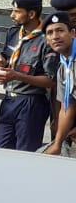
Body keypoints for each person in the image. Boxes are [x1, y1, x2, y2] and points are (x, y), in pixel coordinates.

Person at [0, 0, 56, 151]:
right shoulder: (14, 32)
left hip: (31, 102)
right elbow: (7, 55)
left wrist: (16, 75)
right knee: (1, 148)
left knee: (25, 152)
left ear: (32, 14)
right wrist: (1, 60)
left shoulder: (47, 40)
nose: (12, 15)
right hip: (9, 100)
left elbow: (51, 80)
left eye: (17, 11)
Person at [43, 13, 75, 157]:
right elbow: (66, 108)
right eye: (50, 33)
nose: (55, 36)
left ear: (73, 33)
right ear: (47, 40)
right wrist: (57, 143)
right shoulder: (64, 66)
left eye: (60, 30)